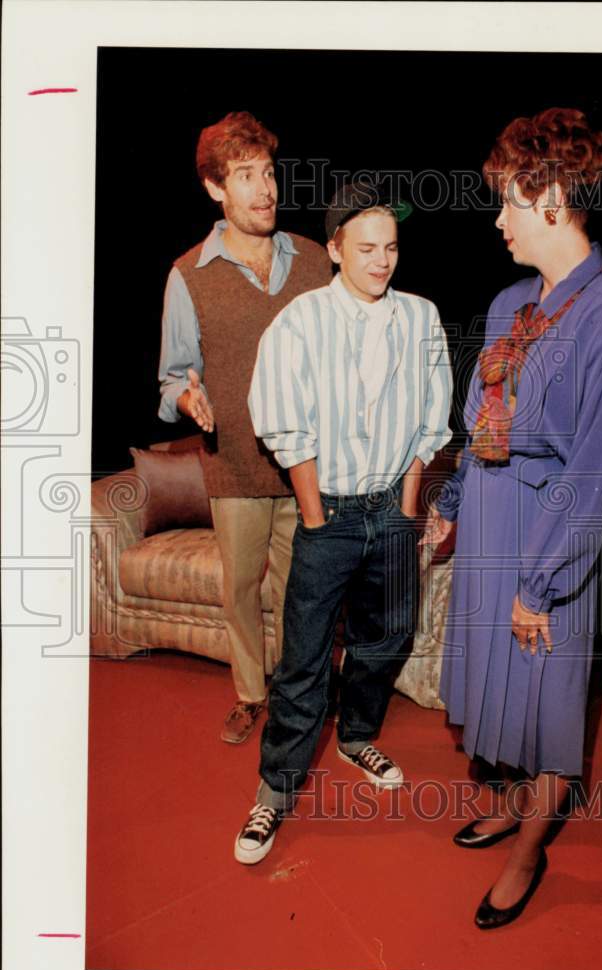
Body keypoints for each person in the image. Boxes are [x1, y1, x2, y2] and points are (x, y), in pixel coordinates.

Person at [423, 108, 602, 929]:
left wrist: (543, 581)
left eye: (509, 202)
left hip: (550, 528)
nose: (498, 219)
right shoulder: (509, 299)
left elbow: (593, 470)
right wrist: (448, 507)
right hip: (487, 514)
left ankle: (530, 848)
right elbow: (475, 416)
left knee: (550, 701)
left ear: (553, 196)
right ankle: (511, 802)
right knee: (497, 684)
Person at [234, 182, 453, 864]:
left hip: (393, 508)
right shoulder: (300, 322)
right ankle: (274, 792)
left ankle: (357, 736)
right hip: (326, 512)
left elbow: (431, 420)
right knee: (302, 658)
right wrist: (313, 512)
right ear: (333, 249)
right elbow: (281, 422)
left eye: (391, 248)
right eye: (366, 249)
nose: (382, 261)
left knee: (386, 636)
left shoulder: (421, 317)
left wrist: (410, 505)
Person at [158, 112, 331, 744]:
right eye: (245, 176)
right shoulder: (188, 275)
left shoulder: (314, 262)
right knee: (238, 588)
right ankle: (250, 695)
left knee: (299, 591)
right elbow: (173, 376)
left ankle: (295, 694)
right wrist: (186, 399)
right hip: (231, 461)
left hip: (304, 465)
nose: (265, 190)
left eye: (268, 173)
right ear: (215, 188)